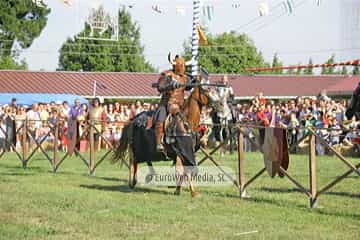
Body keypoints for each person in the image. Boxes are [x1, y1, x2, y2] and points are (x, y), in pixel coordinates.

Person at [154, 55, 192, 152]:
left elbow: (189, 87)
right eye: (181, 65)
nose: (183, 68)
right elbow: (160, 86)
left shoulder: (185, 77)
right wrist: (170, 85)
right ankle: (159, 142)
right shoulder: (167, 75)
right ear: (176, 65)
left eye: (183, 65)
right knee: (161, 118)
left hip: (181, 105)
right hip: (167, 104)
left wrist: (195, 81)